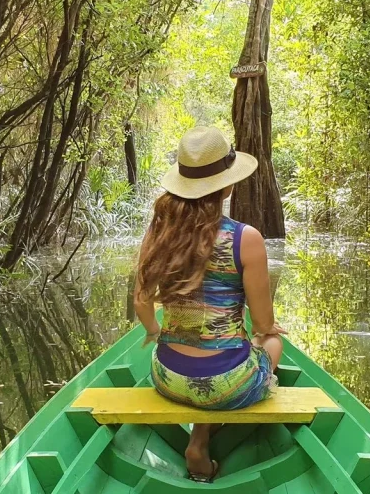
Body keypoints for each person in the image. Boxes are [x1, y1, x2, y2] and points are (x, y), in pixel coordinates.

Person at [133, 125, 285, 483]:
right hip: (228, 384)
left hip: (167, 378)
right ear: (228, 184)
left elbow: (141, 302)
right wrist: (266, 331)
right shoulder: (246, 239)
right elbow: (263, 324)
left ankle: (198, 438)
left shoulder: (159, 233)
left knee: (202, 361)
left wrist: (156, 332)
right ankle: (203, 435)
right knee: (274, 341)